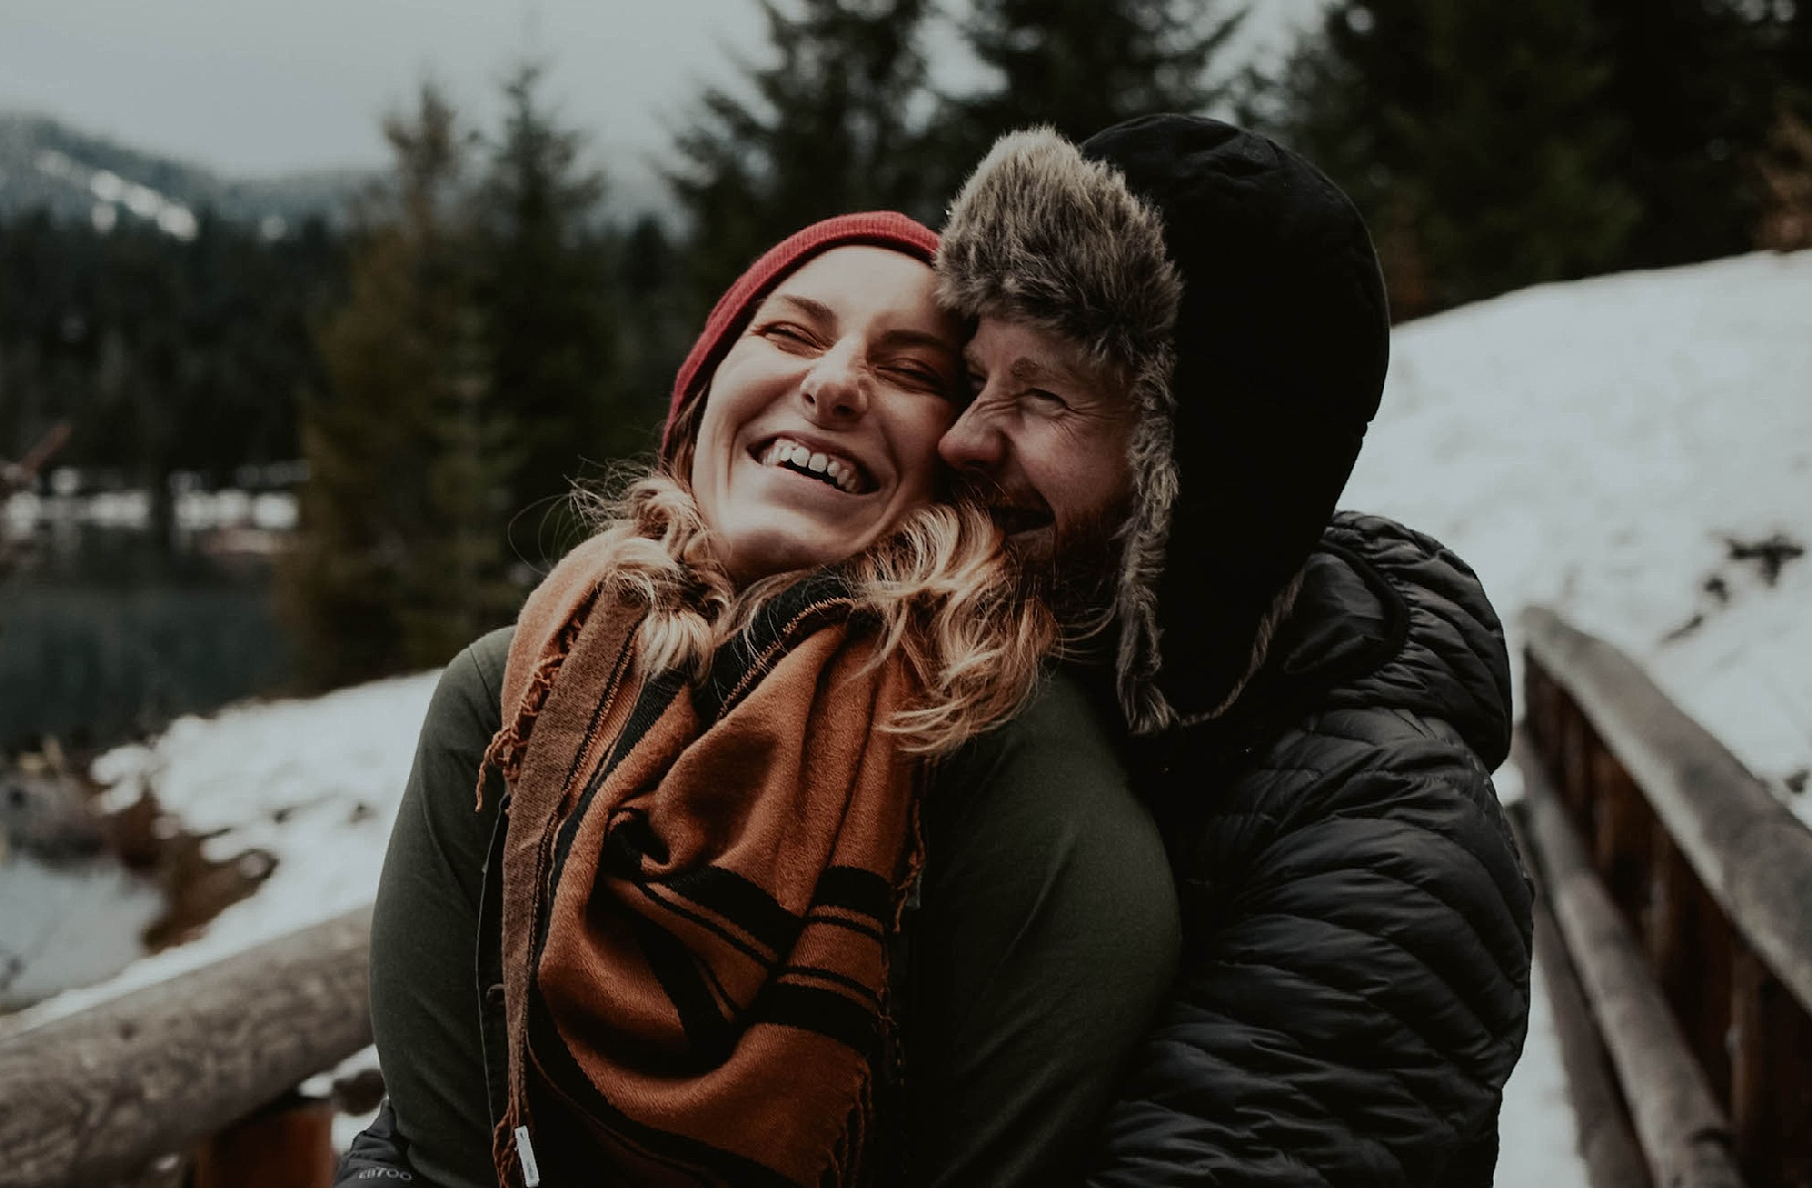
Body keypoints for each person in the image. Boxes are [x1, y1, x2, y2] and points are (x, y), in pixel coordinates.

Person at [340, 213, 1181, 1187]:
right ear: (699, 408)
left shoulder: (998, 742)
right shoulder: (510, 694)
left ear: (958, 465)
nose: (831, 382)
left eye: (910, 369)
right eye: (789, 333)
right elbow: (446, 1155)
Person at [930, 114, 1535, 1184]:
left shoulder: (1386, 854)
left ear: (1195, 471)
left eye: (1041, 396)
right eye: (976, 378)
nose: (963, 438)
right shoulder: (1014, 669)